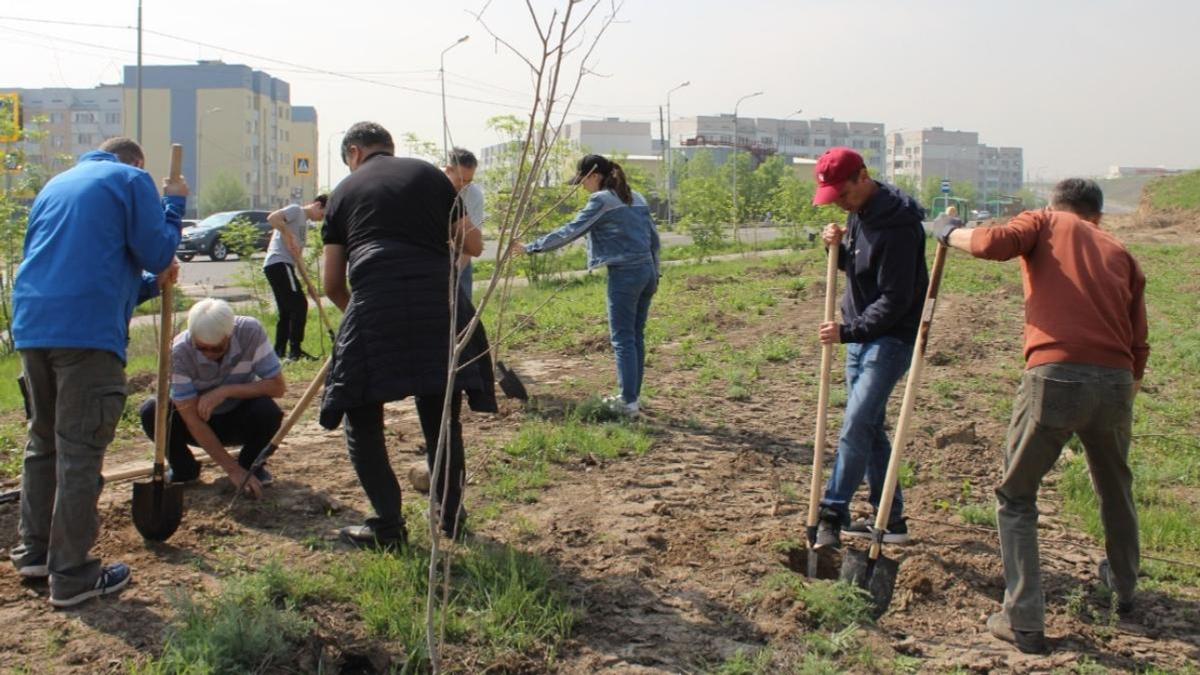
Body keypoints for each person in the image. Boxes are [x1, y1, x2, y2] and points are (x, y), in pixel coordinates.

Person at [935, 179, 1149, 654]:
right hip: (1116, 381)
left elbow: (992, 243)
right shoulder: (1121, 252)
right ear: (1097, 215)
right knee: (1115, 483)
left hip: (1056, 376)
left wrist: (949, 231)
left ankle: (1024, 619)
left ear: (1058, 206)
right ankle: (1123, 590)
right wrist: (1121, 396)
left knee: (1016, 494)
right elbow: (1139, 344)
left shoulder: (1045, 221)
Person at [9, 137, 186, 607]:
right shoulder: (130, 179)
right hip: (87, 337)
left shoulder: (57, 185)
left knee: (43, 441)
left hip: (33, 328)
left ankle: (36, 552)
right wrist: (173, 204)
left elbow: (96, 270)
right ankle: (71, 576)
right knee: (80, 452)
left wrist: (151, 286)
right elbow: (156, 248)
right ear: (136, 162)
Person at [320, 122, 496, 549]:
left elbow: (331, 284)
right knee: (442, 419)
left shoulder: (343, 191)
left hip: (374, 302)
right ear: (390, 149)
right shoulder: (430, 176)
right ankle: (450, 516)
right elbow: (473, 245)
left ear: (356, 153)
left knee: (361, 418)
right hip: (440, 304)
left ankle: (388, 526)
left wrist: (364, 319)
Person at [811, 147, 928, 550]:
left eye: (843, 194)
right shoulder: (861, 213)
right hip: (862, 336)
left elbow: (895, 299)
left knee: (857, 423)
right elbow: (862, 272)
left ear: (863, 176)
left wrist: (849, 331)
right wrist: (837, 251)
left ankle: (832, 510)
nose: (841, 203)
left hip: (889, 338)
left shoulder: (898, 226)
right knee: (871, 427)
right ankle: (891, 519)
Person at [515, 154, 661, 415]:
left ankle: (627, 402)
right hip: (647, 270)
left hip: (625, 274)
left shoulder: (602, 200)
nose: (582, 186)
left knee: (623, 338)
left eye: (583, 180)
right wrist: (656, 272)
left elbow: (571, 231)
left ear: (594, 176)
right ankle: (632, 398)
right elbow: (654, 238)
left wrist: (531, 247)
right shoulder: (635, 197)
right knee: (635, 336)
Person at [138, 298, 286, 499]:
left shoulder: (250, 331)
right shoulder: (178, 352)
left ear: (230, 334)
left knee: (268, 412)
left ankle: (250, 465)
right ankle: (184, 469)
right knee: (152, 411)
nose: (208, 354)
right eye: (201, 348)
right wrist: (231, 470)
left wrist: (225, 391)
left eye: (216, 349)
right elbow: (191, 419)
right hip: (198, 423)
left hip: (238, 418)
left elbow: (278, 387)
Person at [263, 195, 327, 360]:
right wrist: (287, 233)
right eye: (323, 214)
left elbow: (297, 258)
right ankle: (295, 352)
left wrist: (309, 285)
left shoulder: (303, 227)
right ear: (318, 205)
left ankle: (279, 353)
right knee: (299, 305)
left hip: (282, 265)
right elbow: (272, 218)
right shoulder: (296, 210)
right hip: (279, 263)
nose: (322, 219)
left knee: (286, 311)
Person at [443, 148, 484, 301]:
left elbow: (469, 243)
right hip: (432, 253)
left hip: (459, 254)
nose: (464, 185)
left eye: (469, 181)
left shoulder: (474, 195)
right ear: (448, 170)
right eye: (460, 180)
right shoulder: (430, 184)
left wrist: (455, 272)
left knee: (463, 305)